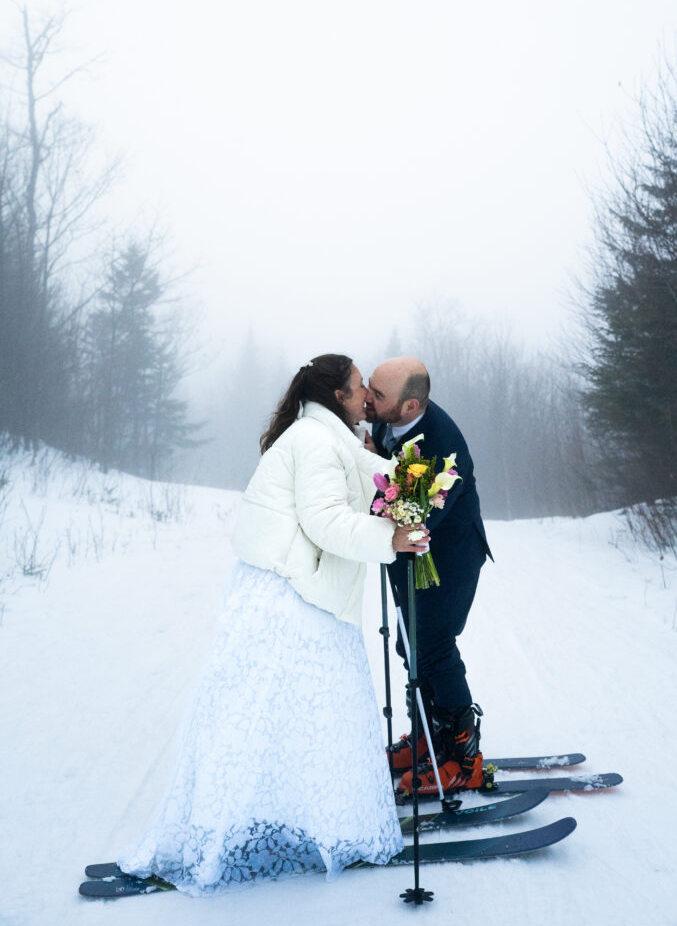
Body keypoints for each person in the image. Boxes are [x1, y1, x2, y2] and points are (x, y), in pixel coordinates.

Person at [114, 354, 430, 896]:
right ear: (336, 396)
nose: (367, 400)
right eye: (359, 390)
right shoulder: (315, 442)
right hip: (291, 601)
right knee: (268, 717)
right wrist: (391, 539)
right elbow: (325, 521)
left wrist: (402, 490)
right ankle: (234, 835)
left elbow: (352, 484)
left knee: (295, 720)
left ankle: (301, 822)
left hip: (301, 596)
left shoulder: (331, 438)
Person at [364, 356, 492, 796]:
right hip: (408, 556)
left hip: (448, 558)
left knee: (434, 647)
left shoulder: (441, 445)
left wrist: (373, 483)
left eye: (377, 395)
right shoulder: (387, 421)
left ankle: (465, 758)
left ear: (410, 404)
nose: (367, 398)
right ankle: (425, 740)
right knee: (410, 644)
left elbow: (416, 518)